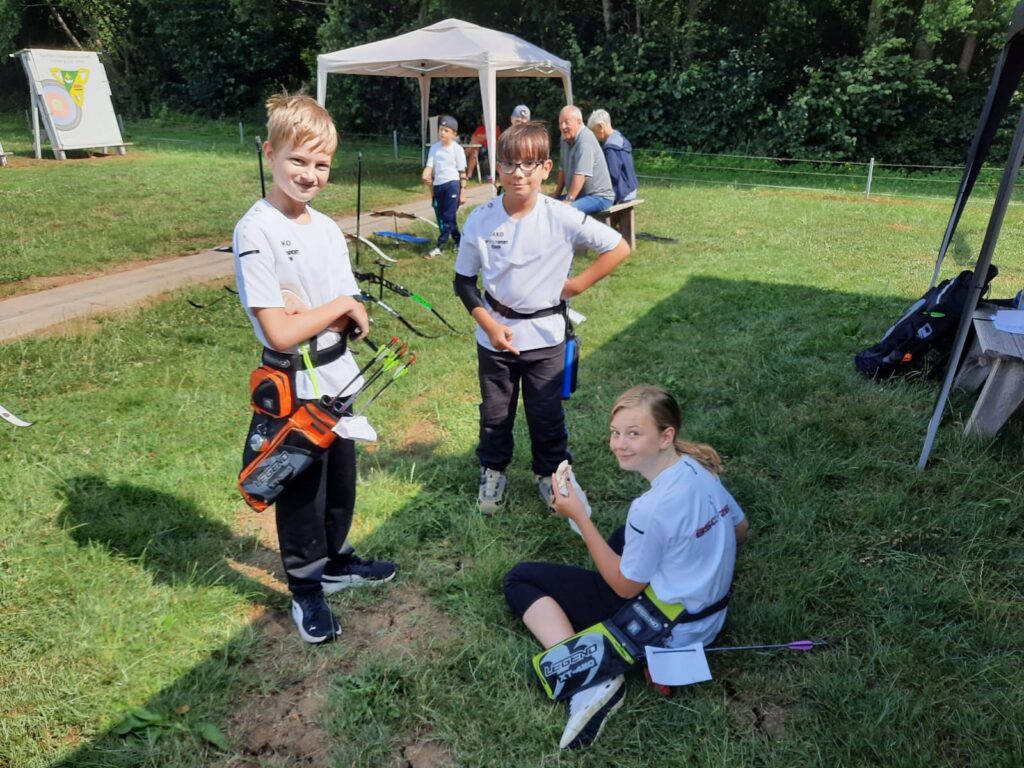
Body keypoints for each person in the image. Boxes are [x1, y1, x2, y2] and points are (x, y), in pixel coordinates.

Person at [233, 93, 396, 644]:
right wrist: (335, 310)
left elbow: (349, 302)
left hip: (338, 372)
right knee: (302, 489)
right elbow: (280, 331)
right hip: (294, 384)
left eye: (321, 164)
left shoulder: (325, 228)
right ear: (270, 153)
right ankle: (305, 588)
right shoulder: (256, 229)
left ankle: (334, 560)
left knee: (340, 481)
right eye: (297, 161)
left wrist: (338, 312)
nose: (309, 175)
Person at [503, 385, 749, 749]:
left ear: (666, 436)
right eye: (616, 433)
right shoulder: (698, 467)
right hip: (709, 616)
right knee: (621, 537)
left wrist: (580, 518)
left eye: (634, 434)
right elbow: (739, 530)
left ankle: (590, 677)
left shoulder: (650, 509)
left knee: (520, 579)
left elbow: (624, 588)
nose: (619, 444)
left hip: (670, 630)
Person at [453, 122, 630, 514]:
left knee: (546, 415)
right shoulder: (481, 220)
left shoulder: (561, 216)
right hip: (495, 340)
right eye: (510, 164)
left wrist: (578, 285)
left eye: (529, 164)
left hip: (546, 338)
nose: (519, 173)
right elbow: (464, 282)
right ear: (496, 167)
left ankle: (551, 475)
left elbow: (618, 247)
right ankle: (493, 471)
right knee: (495, 413)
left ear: (547, 168)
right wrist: (490, 325)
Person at [552, 105, 614, 214]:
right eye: (560, 123)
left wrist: (568, 200)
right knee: (545, 205)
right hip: (581, 196)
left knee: (565, 212)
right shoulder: (564, 138)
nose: (563, 126)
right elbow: (562, 169)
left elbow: (580, 175)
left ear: (579, 121)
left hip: (598, 196)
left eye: (567, 122)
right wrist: (556, 195)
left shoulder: (585, 141)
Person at [422, 114, 468, 259]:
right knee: (446, 217)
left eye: (446, 130)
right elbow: (429, 167)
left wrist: (463, 191)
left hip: (452, 185)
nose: (442, 132)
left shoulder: (457, 149)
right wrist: (425, 176)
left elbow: (462, 171)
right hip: (438, 186)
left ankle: (439, 247)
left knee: (448, 216)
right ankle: (460, 241)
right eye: (441, 129)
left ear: (454, 134)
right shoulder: (434, 148)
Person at [587, 109, 639, 204]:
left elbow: (613, 174)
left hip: (622, 191)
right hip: (631, 187)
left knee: (590, 199)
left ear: (601, 127)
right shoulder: (620, 138)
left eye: (594, 131)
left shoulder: (611, 147)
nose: (594, 135)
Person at [465, 116, 501, 181]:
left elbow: (489, 136)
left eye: (485, 118)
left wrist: (479, 137)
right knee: (475, 150)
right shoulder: (479, 128)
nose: (484, 120)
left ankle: (463, 156)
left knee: (475, 146)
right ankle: (469, 176)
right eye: (483, 119)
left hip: (490, 149)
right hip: (478, 149)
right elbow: (473, 138)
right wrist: (482, 137)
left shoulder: (495, 127)